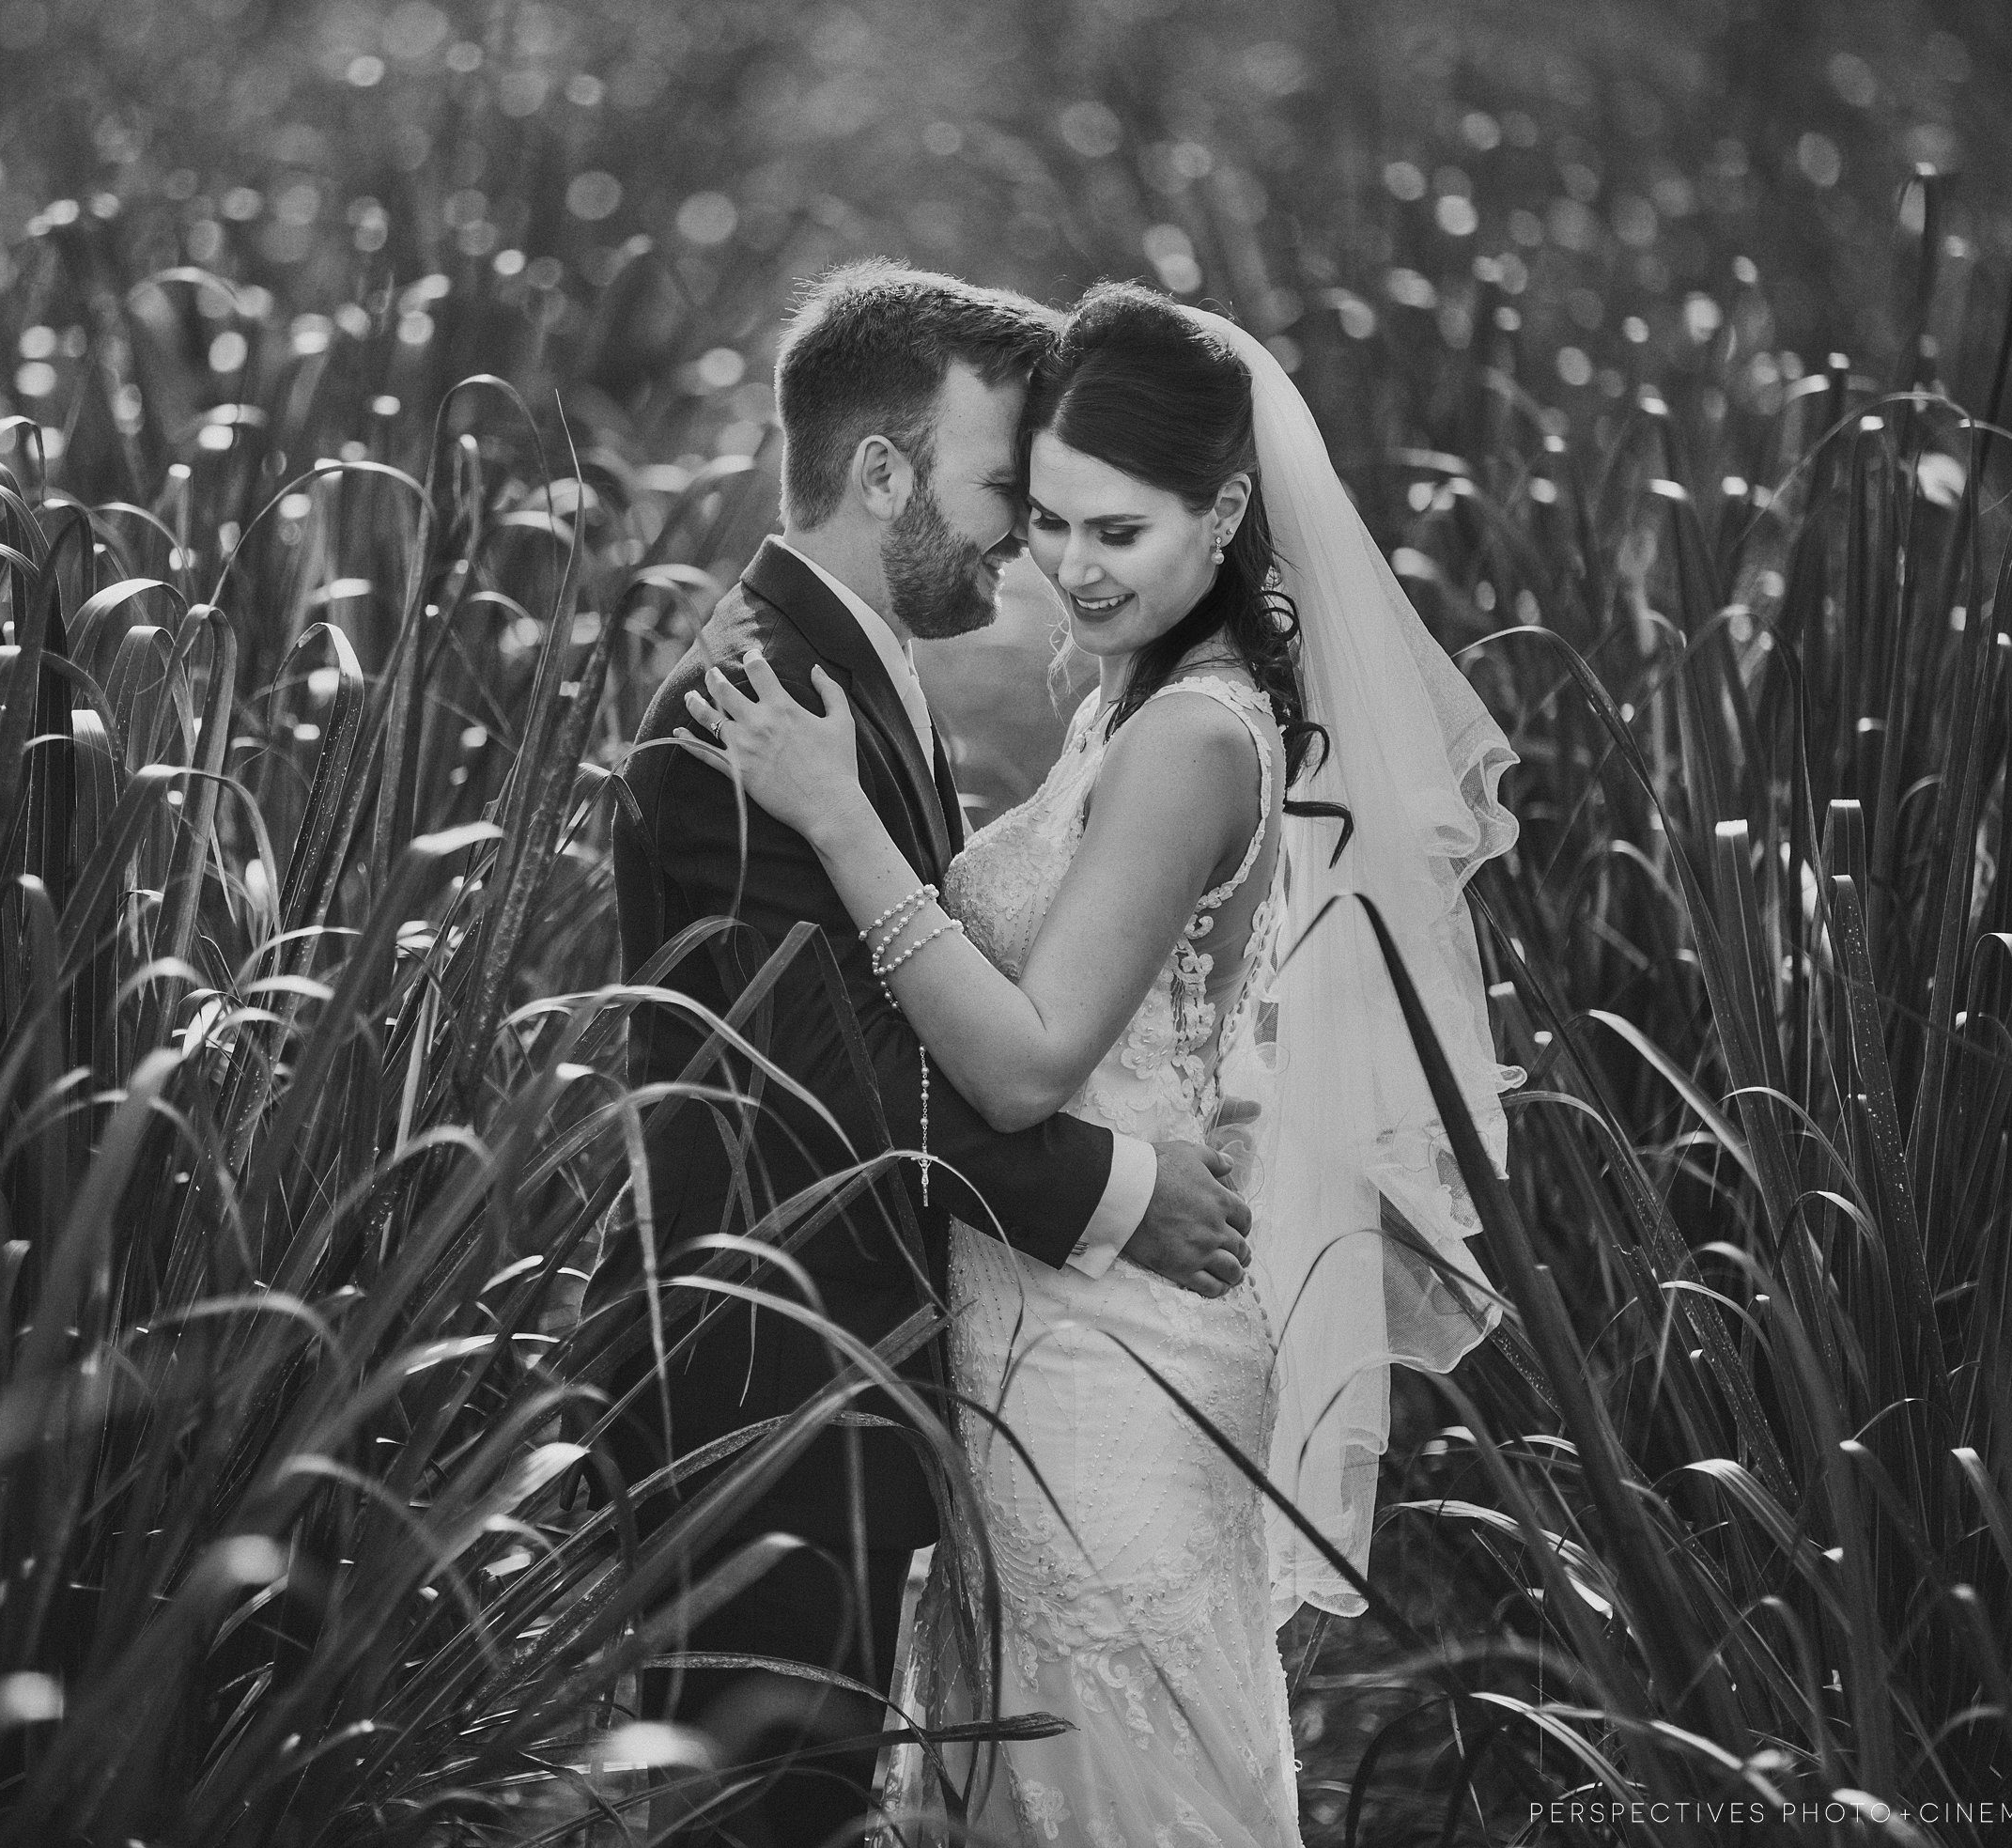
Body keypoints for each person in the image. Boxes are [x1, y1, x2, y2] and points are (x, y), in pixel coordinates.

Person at [679, 281, 1520, 1843]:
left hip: (1109, 1364)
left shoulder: (1191, 739)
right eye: (1047, 517)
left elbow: (1026, 1070)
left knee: (1112, 1781)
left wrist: (845, 825)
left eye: (1115, 534)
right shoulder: (1126, 710)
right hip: (1025, 1337)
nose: (1064, 567)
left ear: (1220, 517)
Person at [601, 263, 1262, 1848]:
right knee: (759, 1813)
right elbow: (830, 1078)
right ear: (884, 470)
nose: (1019, 541)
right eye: (1000, 492)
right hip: (761, 1385)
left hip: (864, 1367)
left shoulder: (853, 665)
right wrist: (1110, 1190)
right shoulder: (750, 702)